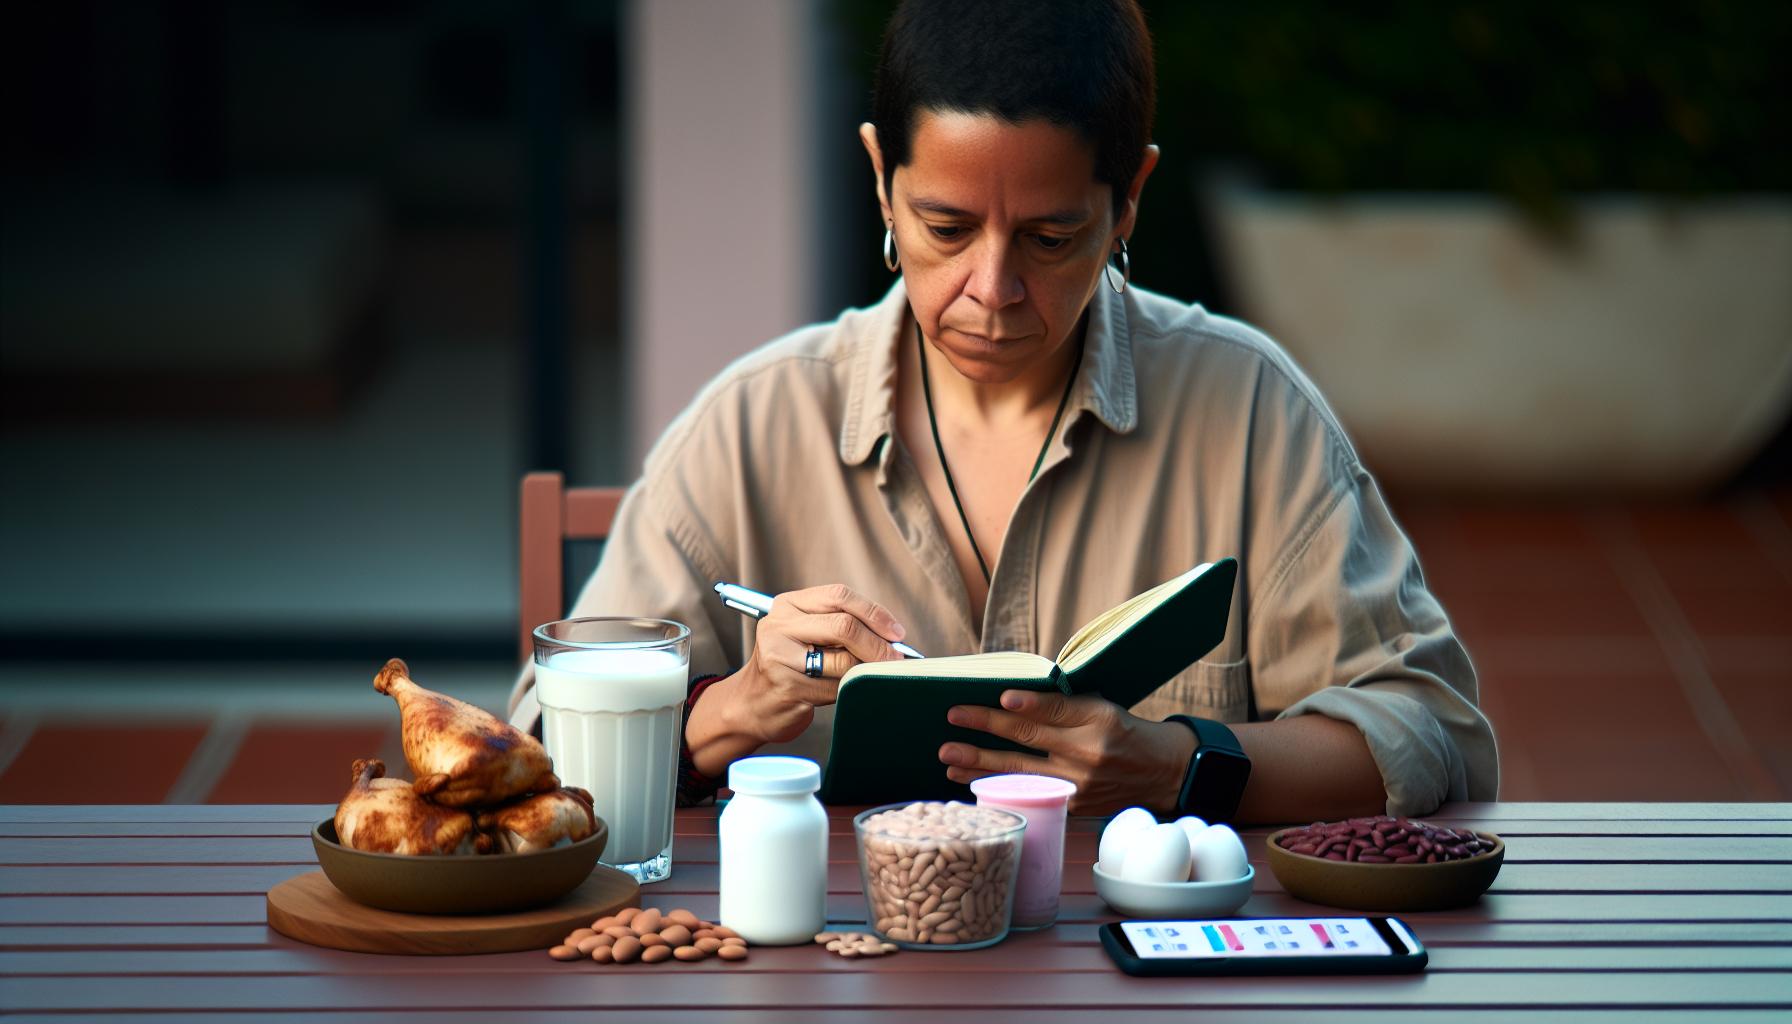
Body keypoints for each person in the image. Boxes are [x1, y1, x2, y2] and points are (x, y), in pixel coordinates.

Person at [509, 0, 1497, 821]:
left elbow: (1431, 733)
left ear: (1129, 200)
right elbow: (536, 753)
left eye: (1050, 239)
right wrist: (734, 705)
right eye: (944, 227)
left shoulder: (1246, 412)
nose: (991, 289)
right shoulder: (755, 425)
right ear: (881, 182)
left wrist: (1179, 763)